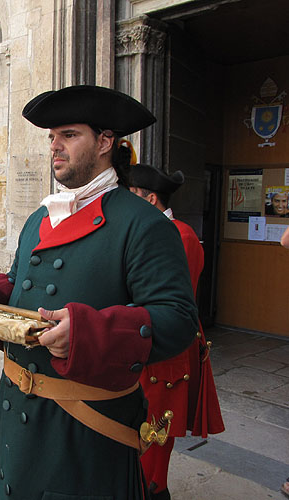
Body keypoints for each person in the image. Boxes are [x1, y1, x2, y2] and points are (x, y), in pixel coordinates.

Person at [0, 85, 198, 500]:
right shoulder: (39, 218)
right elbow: (18, 281)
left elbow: (178, 320)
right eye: (52, 137)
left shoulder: (144, 224)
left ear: (105, 142)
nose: (55, 146)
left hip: (82, 432)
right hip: (14, 418)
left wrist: (88, 333)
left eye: (69, 135)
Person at [127, 164, 225, 500]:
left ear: (150, 198)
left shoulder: (178, 235)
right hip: (150, 338)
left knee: (155, 425)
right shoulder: (160, 231)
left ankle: (153, 489)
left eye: (132, 195)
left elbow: (165, 301)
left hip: (166, 344)